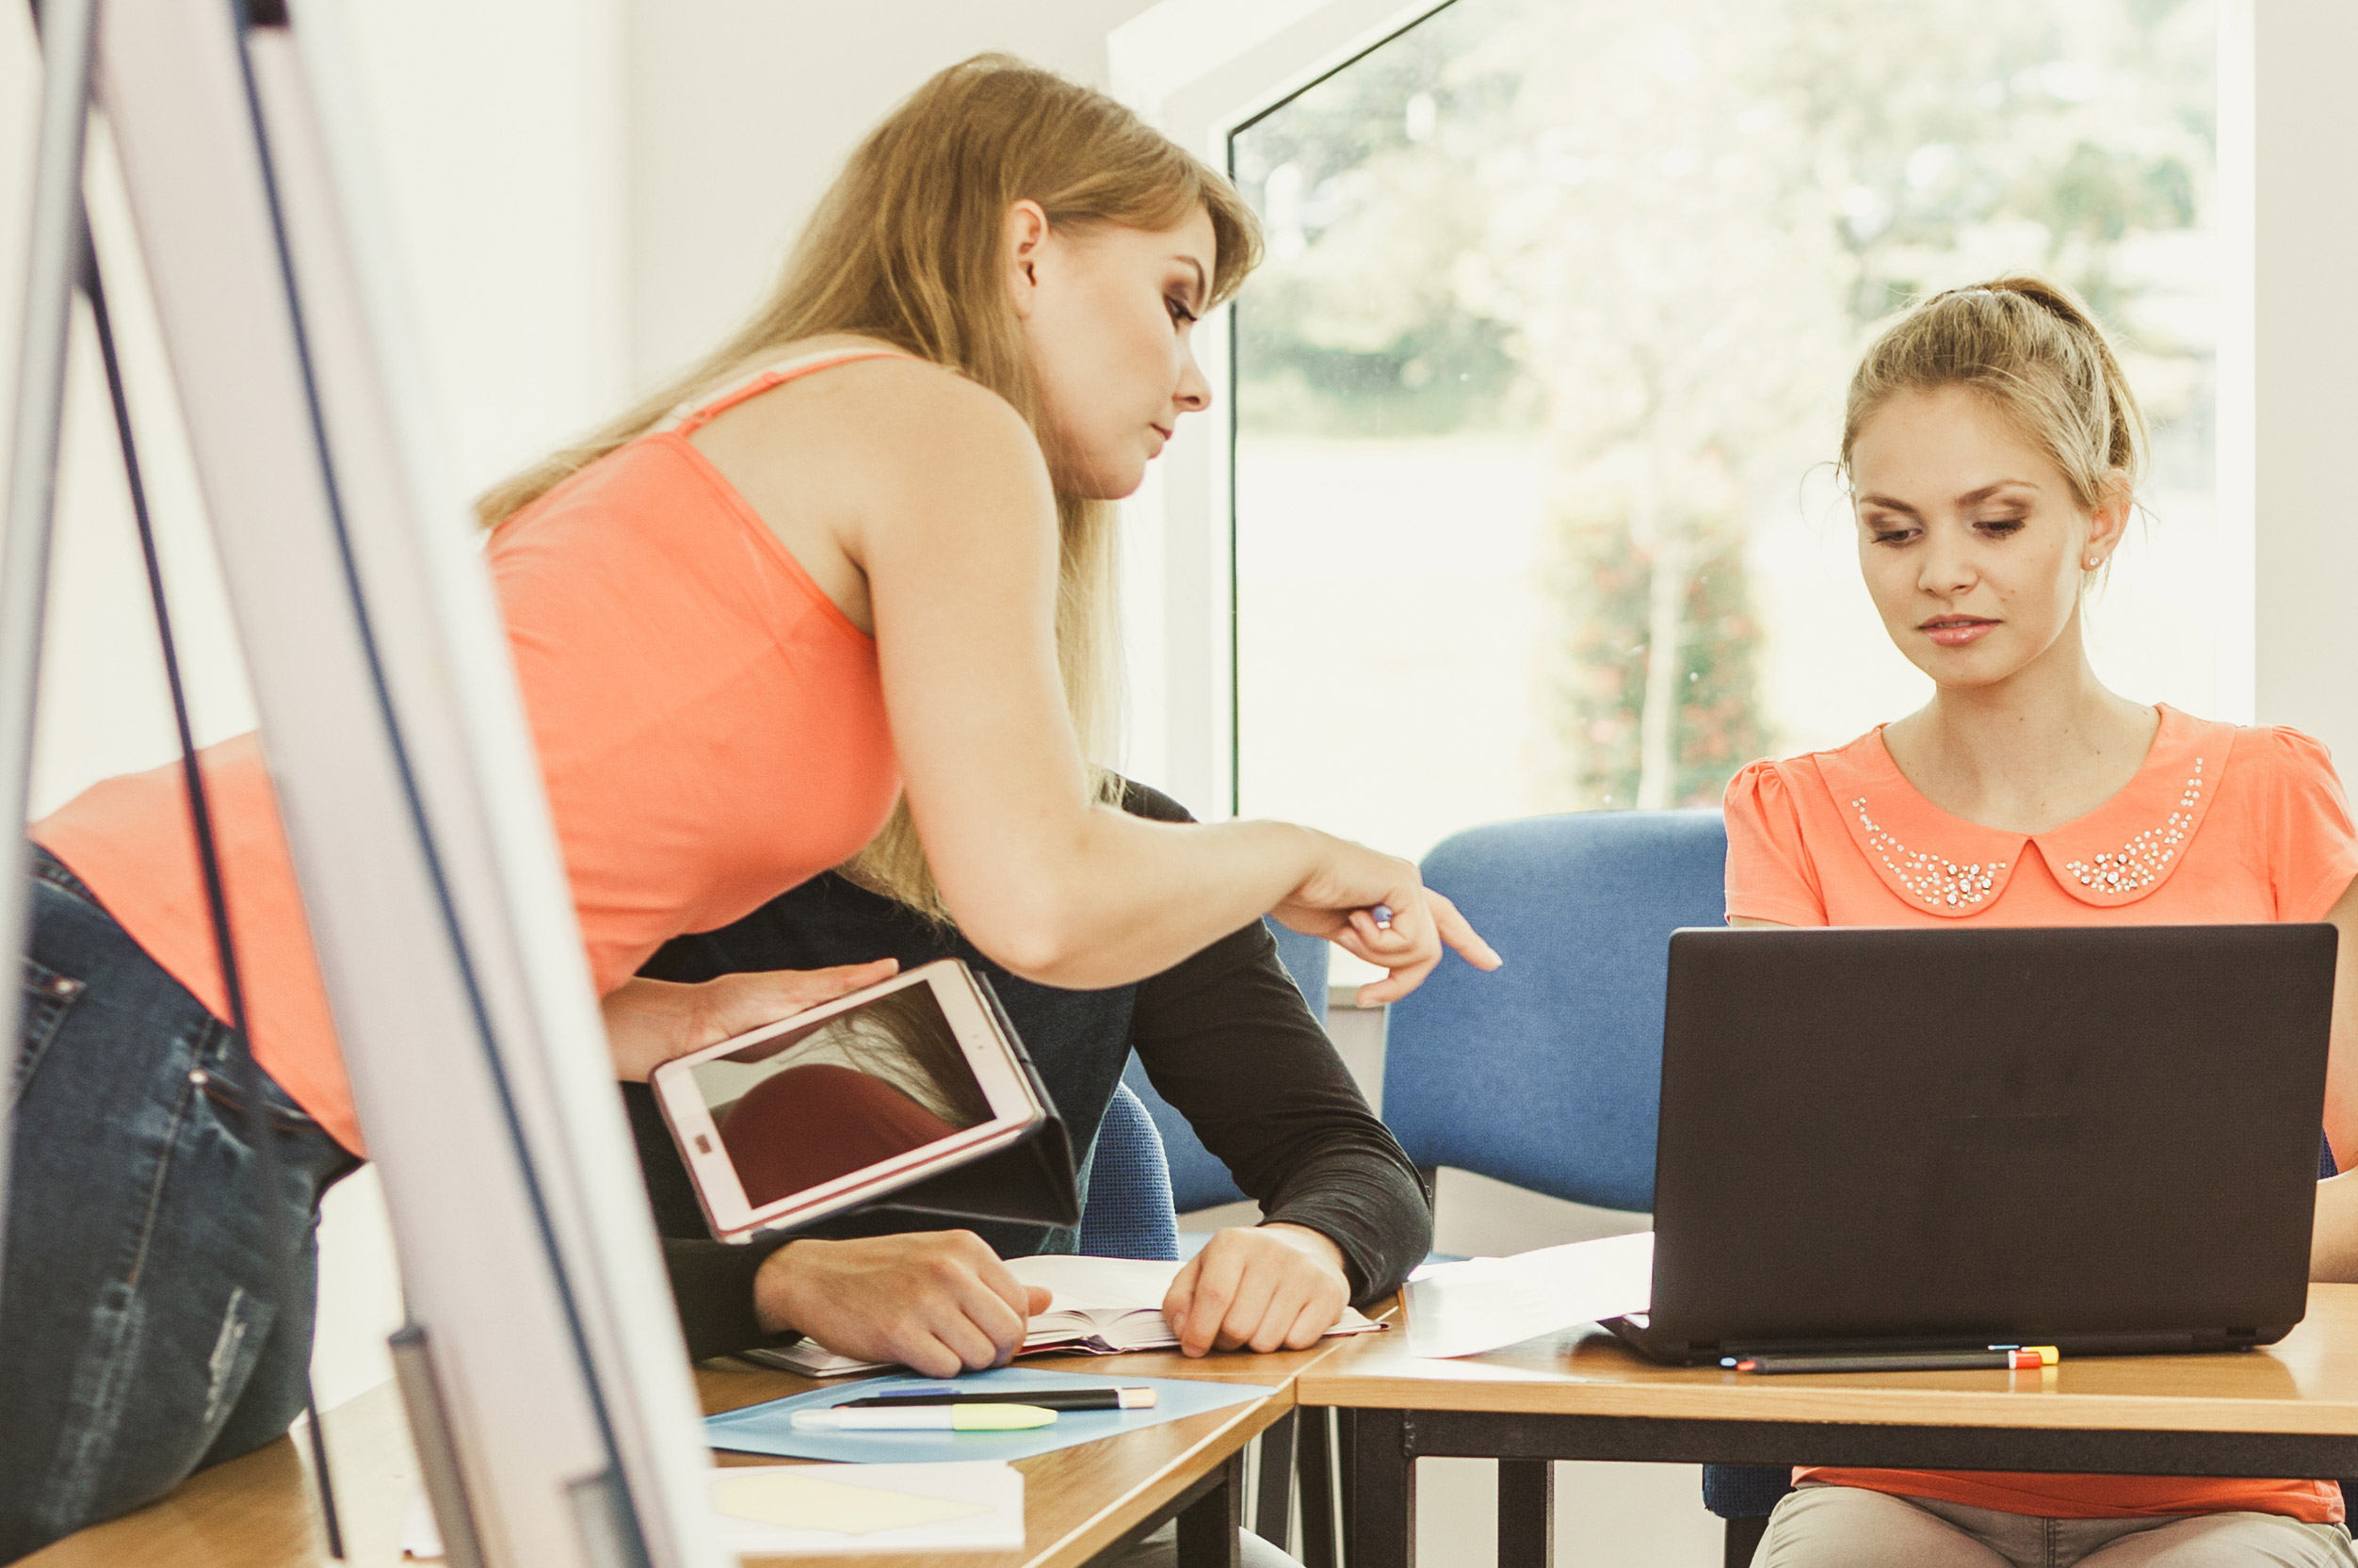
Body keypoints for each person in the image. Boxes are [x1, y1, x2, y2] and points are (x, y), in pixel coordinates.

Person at [2, 56, 1493, 1555]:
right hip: (174, 1009)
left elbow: (448, 854)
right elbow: (1038, 897)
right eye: (1175, 299)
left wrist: (623, 1016)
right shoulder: (935, 422)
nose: (1195, 376)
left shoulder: (777, 430)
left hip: (208, 1036)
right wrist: (1293, 848)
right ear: (1027, 248)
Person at [1720, 278, 2358, 1568]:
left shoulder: (2271, 790)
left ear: (2099, 517)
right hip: (1896, 1480)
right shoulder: (1793, 815)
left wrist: (2152, 1254)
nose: (1943, 572)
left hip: (2224, 1489)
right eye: (1893, 532)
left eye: (1995, 522)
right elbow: (1783, 1200)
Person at [620, 778, 1431, 1379]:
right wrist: (777, 1283)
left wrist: (1307, 1245)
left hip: (1008, 1431)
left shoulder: (1133, 851)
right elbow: (502, 1285)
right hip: (671, 1427)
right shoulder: (611, 853)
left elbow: (1350, 1160)